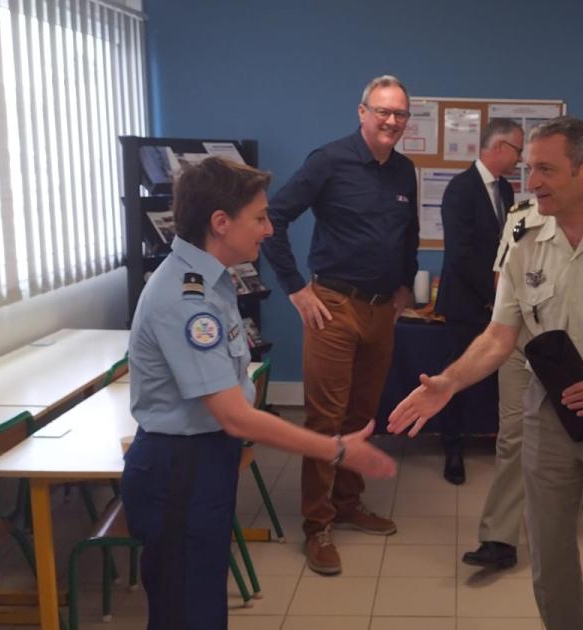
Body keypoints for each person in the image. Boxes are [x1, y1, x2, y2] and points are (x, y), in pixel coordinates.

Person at [389, 116, 583, 630]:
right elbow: (499, 335)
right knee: (551, 561)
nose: (531, 182)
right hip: (548, 413)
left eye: (546, 170)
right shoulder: (522, 228)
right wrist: (448, 381)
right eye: (530, 168)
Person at [121, 156, 396, 628]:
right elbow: (235, 416)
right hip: (180, 466)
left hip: (204, 458)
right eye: (260, 217)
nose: (269, 229)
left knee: (202, 601)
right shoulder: (187, 299)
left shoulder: (213, 281)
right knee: (185, 611)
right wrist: (334, 449)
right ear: (221, 223)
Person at [260, 75, 418, 574]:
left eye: (400, 114)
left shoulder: (404, 170)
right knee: (326, 419)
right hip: (332, 304)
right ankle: (317, 524)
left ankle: (348, 504)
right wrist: (295, 287)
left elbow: (409, 231)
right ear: (362, 112)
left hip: (380, 309)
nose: (391, 121)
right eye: (382, 111)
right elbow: (273, 220)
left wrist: (403, 287)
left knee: (363, 415)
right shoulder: (328, 160)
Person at [435, 117, 523, 485]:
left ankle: (495, 439)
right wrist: (494, 296)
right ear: (499, 147)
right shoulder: (460, 189)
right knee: (456, 376)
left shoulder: (506, 191)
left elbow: (508, 249)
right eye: (518, 150)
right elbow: (461, 253)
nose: (520, 159)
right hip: (465, 303)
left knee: (496, 375)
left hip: (495, 303)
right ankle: (452, 448)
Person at [461, 196, 541, 571]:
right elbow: (501, 276)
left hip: (571, 343)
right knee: (512, 434)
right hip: (518, 338)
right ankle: (500, 538)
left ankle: (562, 517)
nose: (535, 181)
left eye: (546, 169)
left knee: (573, 435)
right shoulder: (520, 215)